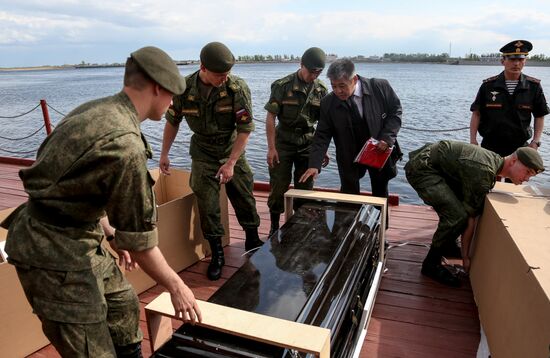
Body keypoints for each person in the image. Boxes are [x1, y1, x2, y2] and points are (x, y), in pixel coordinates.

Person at [0, 46, 202, 357]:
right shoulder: (125, 145)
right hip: (52, 252)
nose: (173, 103)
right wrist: (178, 287)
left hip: (80, 230)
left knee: (122, 304)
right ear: (158, 88)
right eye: (173, 95)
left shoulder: (97, 110)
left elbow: (79, 184)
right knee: (90, 348)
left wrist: (109, 232)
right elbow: (140, 245)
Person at [160, 42, 262, 281]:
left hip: (231, 148)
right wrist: (164, 153)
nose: (224, 79)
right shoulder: (183, 89)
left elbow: (245, 128)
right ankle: (217, 254)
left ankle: (253, 239)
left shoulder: (237, 88)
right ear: (203, 67)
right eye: (219, 75)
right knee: (207, 204)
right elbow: (173, 121)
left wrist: (231, 163)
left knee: (244, 196)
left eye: (227, 74)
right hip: (203, 152)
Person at [405, 140, 544, 287]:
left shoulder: (494, 163)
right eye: (527, 171)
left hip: (435, 165)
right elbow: (469, 218)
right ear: (513, 161)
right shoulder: (484, 172)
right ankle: (431, 264)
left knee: (455, 207)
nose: (527, 179)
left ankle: (447, 245)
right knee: (456, 216)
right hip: (423, 169)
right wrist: (466, 257)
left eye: (531, 176)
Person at [300, 58, 403, 199]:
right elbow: (322, 135)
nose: (338, 91)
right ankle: (348, 221)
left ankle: (380, 221)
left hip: (379, 149)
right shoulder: (328, 103)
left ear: (354, 79)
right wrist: (314, 164)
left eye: (342, 86)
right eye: (334, 86)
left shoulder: (379, 87)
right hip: (348, 155)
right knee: (348, 195)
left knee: (380, 192)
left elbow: (395, 111)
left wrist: (387, 137)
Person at [264, 47, 329, 236]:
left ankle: (300, 227)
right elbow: (270, 117)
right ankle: (274, 228)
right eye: (311, 71)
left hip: (308, 144)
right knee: (278, 187)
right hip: (283, 142)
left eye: (318, 72)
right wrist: (271, 148)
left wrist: (320, 150)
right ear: (301, 65)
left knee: (305, 189)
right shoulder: (282, 85)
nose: (314, 76)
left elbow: (323, 125)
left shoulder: (321, 90)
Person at [470, 40, 549, 156]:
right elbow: (476, 113)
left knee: (520, 174)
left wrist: (535, 142)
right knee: (489, 175)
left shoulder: (533, 87)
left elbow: (540, 115)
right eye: (512, 59)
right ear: (503, 61)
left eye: (520, 59)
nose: (516, 64)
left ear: (525, 61)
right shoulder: (488, 86)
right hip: (490, 147)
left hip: (520, 147)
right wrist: (473, 140)